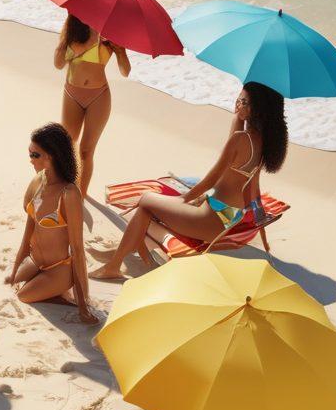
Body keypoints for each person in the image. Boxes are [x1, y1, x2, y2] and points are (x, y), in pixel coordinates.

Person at [91, 82, 288, 279]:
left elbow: (211, 180)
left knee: (145, 200)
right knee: (145, 210)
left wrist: (184, 199)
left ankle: (118, 261)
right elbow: (247, 179)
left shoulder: (240, 140)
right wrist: (239, 116)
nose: (237, 105)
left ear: (257, 109)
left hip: (210, 220)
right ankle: (121, 257)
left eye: (243, 102)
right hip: (227, 218)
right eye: (237, 99)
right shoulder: (263, 143)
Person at [5, 123, 97, 323]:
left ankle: (69, 296)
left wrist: (84, 305)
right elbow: (28, 232)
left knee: (23, 295)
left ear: (52, 155)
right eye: (29, 154)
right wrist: (15, 269)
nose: (30, 160)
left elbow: (78, 249)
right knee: (12, 282)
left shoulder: (69, 193)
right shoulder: (38, 181)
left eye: (35, 155)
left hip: (59, 269)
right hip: (36, 261)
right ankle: (51, 290)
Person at [54, 14, 131, 197]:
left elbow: (125, 71)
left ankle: (80, 195)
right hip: (72, 94)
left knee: (86, 151)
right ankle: (65, 187)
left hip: (99, 97)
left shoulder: (110, 33)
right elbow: (58, 64)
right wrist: (77, 42)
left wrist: (120, 51)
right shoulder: (71, 30)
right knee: (67, 145)